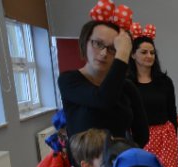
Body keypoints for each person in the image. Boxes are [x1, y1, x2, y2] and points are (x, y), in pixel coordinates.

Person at [58, 14, 148, 148]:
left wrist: (125, 154)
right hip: (83, 160)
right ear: (85, 42)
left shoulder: (127, 87)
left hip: (118, 159)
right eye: (98, 44)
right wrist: (123, 54)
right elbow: (103, 99)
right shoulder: (69, 80)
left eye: (113, 48)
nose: (104, 53)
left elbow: (142, 134)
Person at [127, 24, 178, 167]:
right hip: (138, 137)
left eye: (152, 52)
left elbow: (172, 111)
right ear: (133, 55)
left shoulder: (164, 81)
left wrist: (172, 135)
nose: (149, 56)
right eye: (144, 52)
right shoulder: (127, 83)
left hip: (165, 138)